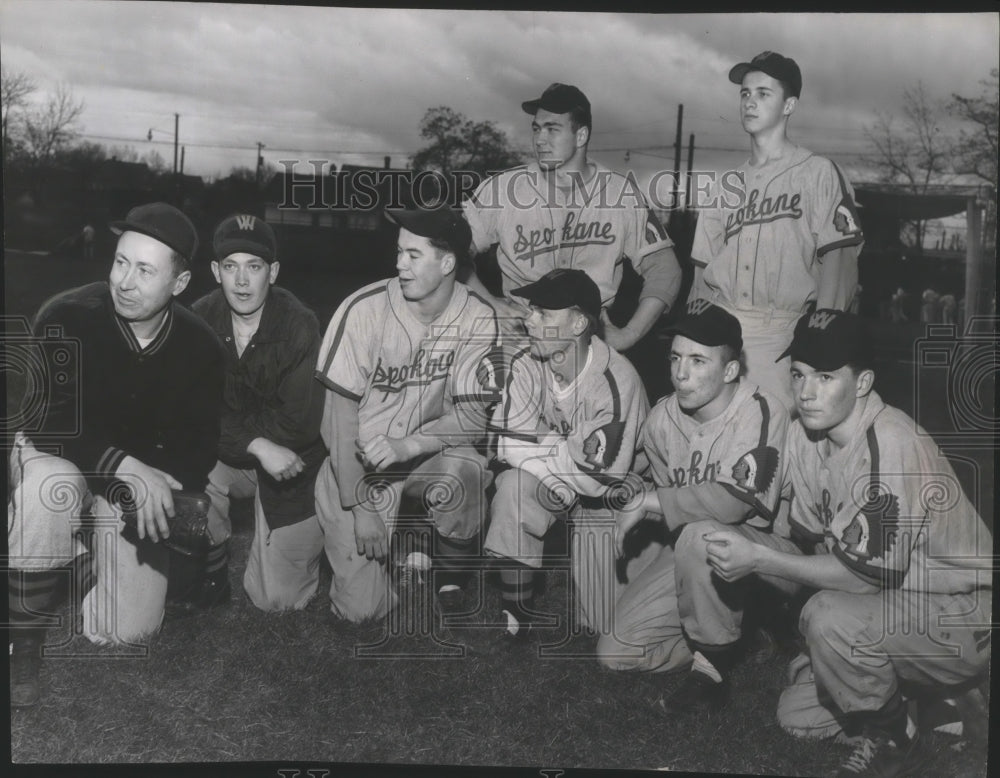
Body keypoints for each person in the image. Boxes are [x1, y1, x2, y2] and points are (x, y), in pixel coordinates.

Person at [674, 310, 992, 777]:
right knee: (798, 717)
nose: (806, 392)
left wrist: (761, 560)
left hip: (963, 614)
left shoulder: (891, 444)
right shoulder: (810, 434)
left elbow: (862, 578)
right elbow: (807, 541)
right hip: (894, 599)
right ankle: (929, 704)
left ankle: (897, 744)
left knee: (829, 619)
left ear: (862, 383)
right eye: (799, 374)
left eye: (825, 377)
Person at [8, 202, 224, 706]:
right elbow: (48, 423)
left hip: (127, 482)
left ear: (180, 282)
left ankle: (80, 559)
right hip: (54, 456)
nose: (124, 280)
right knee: (49, 488)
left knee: (125, 634)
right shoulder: (68, 314)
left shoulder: (201, 346)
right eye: (120, 261)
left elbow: (198, 448)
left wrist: (147, 482)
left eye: (145, 270)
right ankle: (23, 645)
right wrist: (126, 466)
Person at [314, 205, 499, 621]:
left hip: (422, 457)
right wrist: (361, 507)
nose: (400, 264)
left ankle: (449, 573)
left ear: (448, 262)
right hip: (358, 465)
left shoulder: (477, 317)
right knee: (362, 612)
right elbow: (338, 425)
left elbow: (473, 419)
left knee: (465, 471)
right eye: (399, 252)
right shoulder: (362, 309)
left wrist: (408, 445)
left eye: (414, 256)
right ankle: (352, 529)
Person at [597, 299, 789, 675]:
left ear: (731, 369)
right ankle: (737, 636)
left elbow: (734, 506)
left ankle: (736, 637)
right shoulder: (663, 418)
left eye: (698, 361)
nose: (681, 374)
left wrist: (648, 502)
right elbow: (672, 511)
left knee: (702, 536)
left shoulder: (761, 411)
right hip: (693, 552)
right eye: (675, 358)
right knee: (615, 653)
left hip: (770, 558)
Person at [462, 82, 682, 398]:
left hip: (588, 341)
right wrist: (489, 303)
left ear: (581, 136)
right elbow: (452, 249)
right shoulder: (504, 189)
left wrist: (629, 334)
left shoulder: (620, 195)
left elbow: (666, 269)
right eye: (536, 128)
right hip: (522, 334)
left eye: (552, 129)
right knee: (512, 438)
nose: (539, 139)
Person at [690, 51, 864, 411]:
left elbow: (840, 264)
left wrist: (820, 345)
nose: (750, 101)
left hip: (780, 334)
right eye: (745, 93)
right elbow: (700, 277)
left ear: (789, 105)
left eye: (764, 93)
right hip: (719, 330)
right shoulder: (724, 184)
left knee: (773, 452)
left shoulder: (817, 172)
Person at [486, 268, 649, 641]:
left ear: (578, 324)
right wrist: (560, 456)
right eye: (532, 310)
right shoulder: (527, 362)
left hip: (615, 495)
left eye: (544, 313)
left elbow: (596, 480)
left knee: (604, 625)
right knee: (513, 487)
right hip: (564, 478)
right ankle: (515, 616)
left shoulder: (617, 380)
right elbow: (506, 444)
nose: (529, 320)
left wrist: (542, 447)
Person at [189, 214, 326, 612]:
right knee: (191, 466)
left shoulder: (300, 323)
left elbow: (299, 423)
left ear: (274, 272)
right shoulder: (199, 319)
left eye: (255, 266)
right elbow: (193, 411)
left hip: (292, 463)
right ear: (216, 271)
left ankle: (301, 537)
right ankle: (212, 571)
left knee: (278, 601)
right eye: (231, 267)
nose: (242, 281)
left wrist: (250, 438)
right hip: (238, 453)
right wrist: (255, 442)